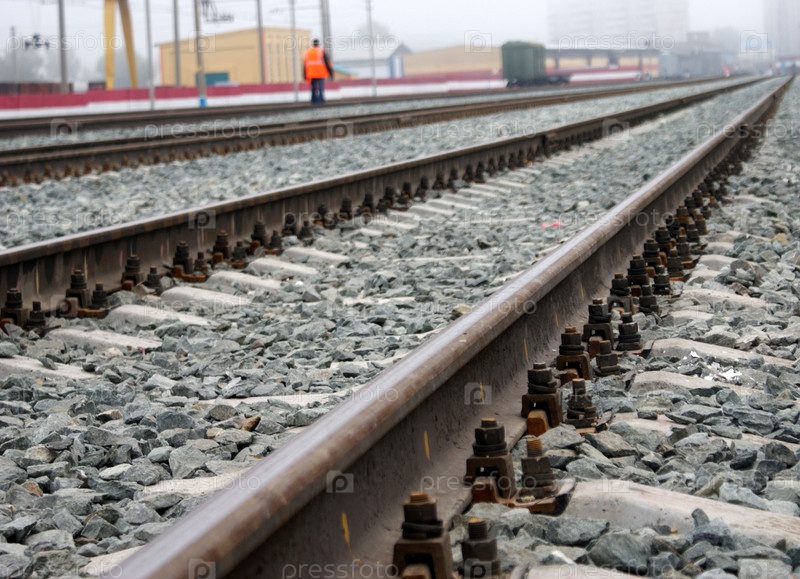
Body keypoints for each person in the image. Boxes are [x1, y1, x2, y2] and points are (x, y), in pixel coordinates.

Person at [302, 39, 333, 104]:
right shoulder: (321, 51)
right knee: (320, 86)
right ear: (318, 44)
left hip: (311, 73)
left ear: (313, 44)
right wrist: (330, 72)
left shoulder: (307, 52)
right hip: (320, 72)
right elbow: (327, 62)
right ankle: (321, 100)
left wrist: (304, 74)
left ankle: (313, 100)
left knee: (313, 87)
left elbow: (304, 64)